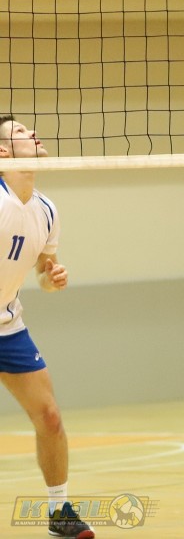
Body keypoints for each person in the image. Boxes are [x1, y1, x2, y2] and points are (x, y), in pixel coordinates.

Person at [0, 116, 95, 538]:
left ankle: (60, 512)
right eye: (20, 132)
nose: (33, 133)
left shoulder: (47, 209)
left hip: (8, 325)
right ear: (2, 152)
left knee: (51, 418)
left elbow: (43, 272)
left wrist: (51, 279)